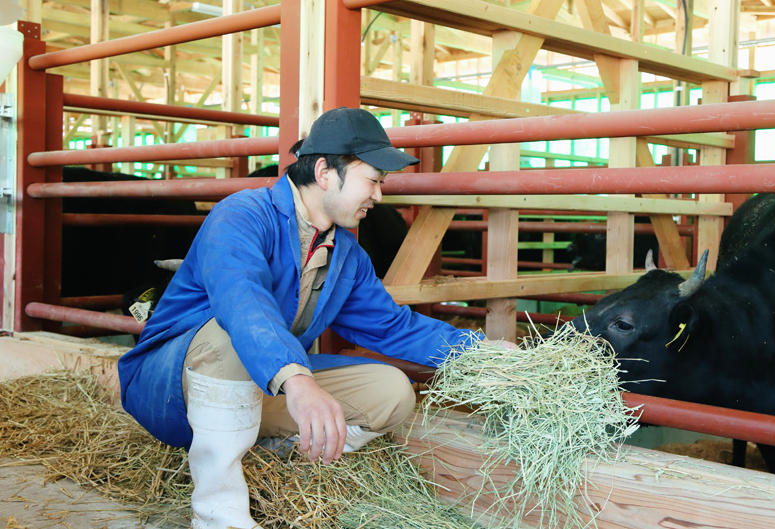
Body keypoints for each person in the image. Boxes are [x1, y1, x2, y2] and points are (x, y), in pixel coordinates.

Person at [118, 107, 515, 529]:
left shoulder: (347, 255)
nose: (378, 197)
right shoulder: (242, 216)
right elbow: (244, 304)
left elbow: (392, 326)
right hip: (170, 387)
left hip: (264, 381)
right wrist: (299, 381)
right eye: (373, 181)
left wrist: (480, 353)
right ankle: (218, 517)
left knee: (392, 393)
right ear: (325, 171)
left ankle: (277, 452)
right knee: (226, 336)